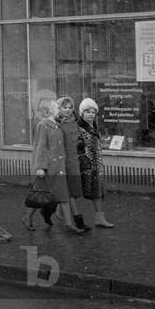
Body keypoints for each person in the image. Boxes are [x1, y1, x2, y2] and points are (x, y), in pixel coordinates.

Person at [26, 99, 87, 234]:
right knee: (40, 195)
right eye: (58, 108)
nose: (61, 110)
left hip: (59, 166)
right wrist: (40, 167)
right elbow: (40, 146)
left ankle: (69, 224)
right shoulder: (44, 125)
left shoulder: (57, 125)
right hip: (49, 167)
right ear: (51, 111)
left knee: (63, 195)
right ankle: (27, 217)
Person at [76, 98, 114, 228]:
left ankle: (99, 218)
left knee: (97, 192)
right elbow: (77, 147)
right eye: (88, 112)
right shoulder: (79, 128)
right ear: (82, 113)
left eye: (93, 112)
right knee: (76, 192)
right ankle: (61, 212)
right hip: (85, 166)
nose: (91, 114)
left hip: (96, 166)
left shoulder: (94, 127)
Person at [57, 96, 90, 231]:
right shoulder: (56, 123)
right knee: (69, 193)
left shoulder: (74, 122)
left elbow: (77, 141)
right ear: (59, 108)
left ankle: (55, 212)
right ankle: (77, 220)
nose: (68, 110)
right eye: (65, 107)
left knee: (72, 192)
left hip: (73, 160)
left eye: (70, 107)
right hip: (61, 161)